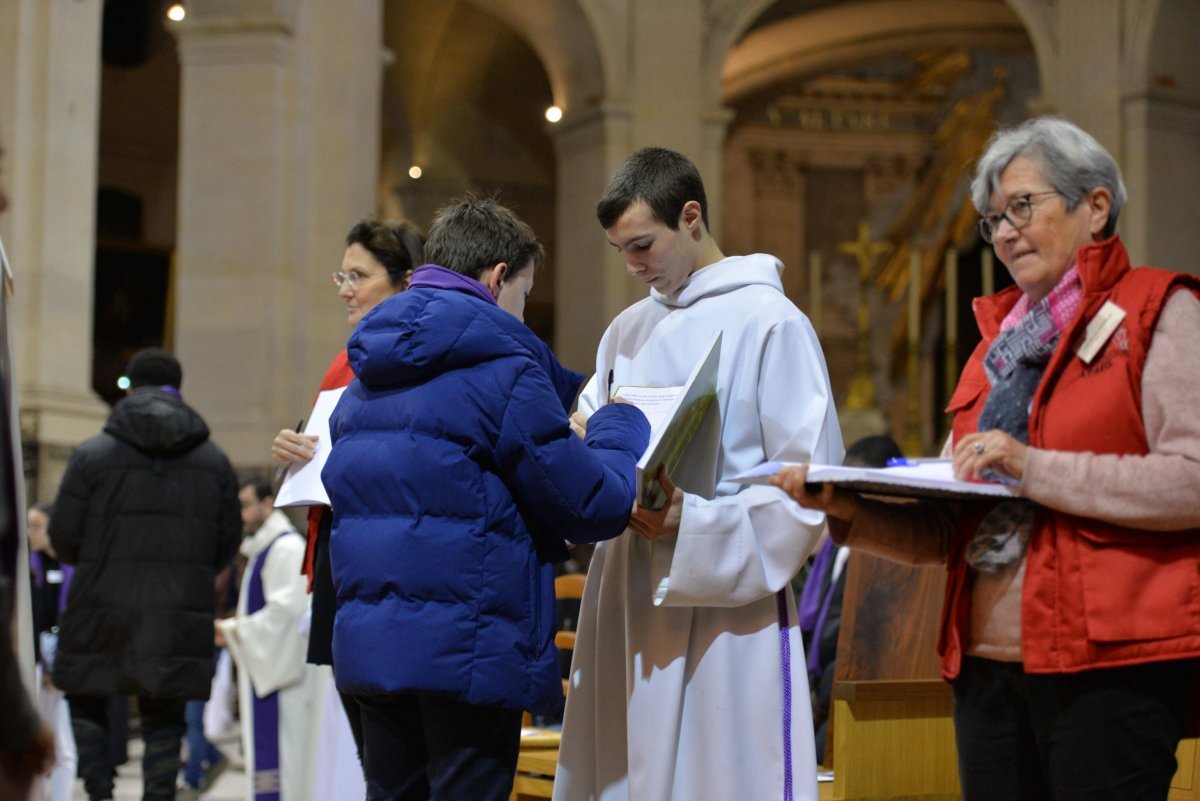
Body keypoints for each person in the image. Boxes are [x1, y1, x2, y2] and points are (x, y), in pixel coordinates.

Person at [774, 116, 1200, 801]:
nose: (1003, 233)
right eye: (992, 219)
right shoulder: (993, 352)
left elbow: (1192, 479)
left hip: (1109, 664)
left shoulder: (1158, 310)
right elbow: (953, 526)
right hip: (984, 668)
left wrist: (1032, 466)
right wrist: (848, 507)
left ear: (1095, 206)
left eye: (1022, 207)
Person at [321, 194, 650, 801]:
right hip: (467, 649)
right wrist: (621, 428)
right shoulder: (503, 370)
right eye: (524, 292)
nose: (522, 313)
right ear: (498, 278)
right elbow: (593, 504)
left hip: (374, 647)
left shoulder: (366, 374)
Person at [553, 147, 844, 801]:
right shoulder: (625, 331)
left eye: (642, 245)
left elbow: (808, 488)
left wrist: (693, 520)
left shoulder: (772, 323)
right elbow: (594, 426)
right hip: (626, 590)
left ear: (691, 216)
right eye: (620, 250)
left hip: (725, 606)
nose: (633, 267)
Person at [49, 348, 242, 801]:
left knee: (88, 695)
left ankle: (98, 791)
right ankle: (159, 793)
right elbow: (225, 546)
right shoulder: (213, 461)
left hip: (99, 606)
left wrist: (100, 565)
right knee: (165, 714)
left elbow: (63, 538)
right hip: (177, 610)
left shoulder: (92, 454)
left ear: (130, 387)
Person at [271, 216, 424, 769]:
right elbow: (320, 454)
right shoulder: (345, 360)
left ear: (405, 280)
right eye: (341, 275)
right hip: (341, 553)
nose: (344, 289)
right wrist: (291, 454)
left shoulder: (428, 354)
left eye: (357, 275)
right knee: (371, 746)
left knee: (405, 743)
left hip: (397, 557)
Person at [795, 435, 901, 764]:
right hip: (815, 685)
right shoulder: (833, 545)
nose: (847, 500)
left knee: (817, 751)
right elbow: (811, 618)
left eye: (860, 489)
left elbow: (863, 636)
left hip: (852, 692)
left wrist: (817, 694)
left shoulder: (888, 556)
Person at [217, 475, 316, 801]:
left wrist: (233, 630)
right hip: (273, 675)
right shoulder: (263, 549)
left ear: (268, 504)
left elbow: (287, 616)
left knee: (286, 772)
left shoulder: (286, 548)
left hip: (285, 682)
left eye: (245, 505)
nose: (240, 514)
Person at [27, 502, 77, 801]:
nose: (31, 533)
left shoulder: (71, 567)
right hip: (35, 659)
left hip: (62, 660)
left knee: (61, 743)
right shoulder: (28, 566)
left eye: (36, 526)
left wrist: (58, 667)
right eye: (28, 526)